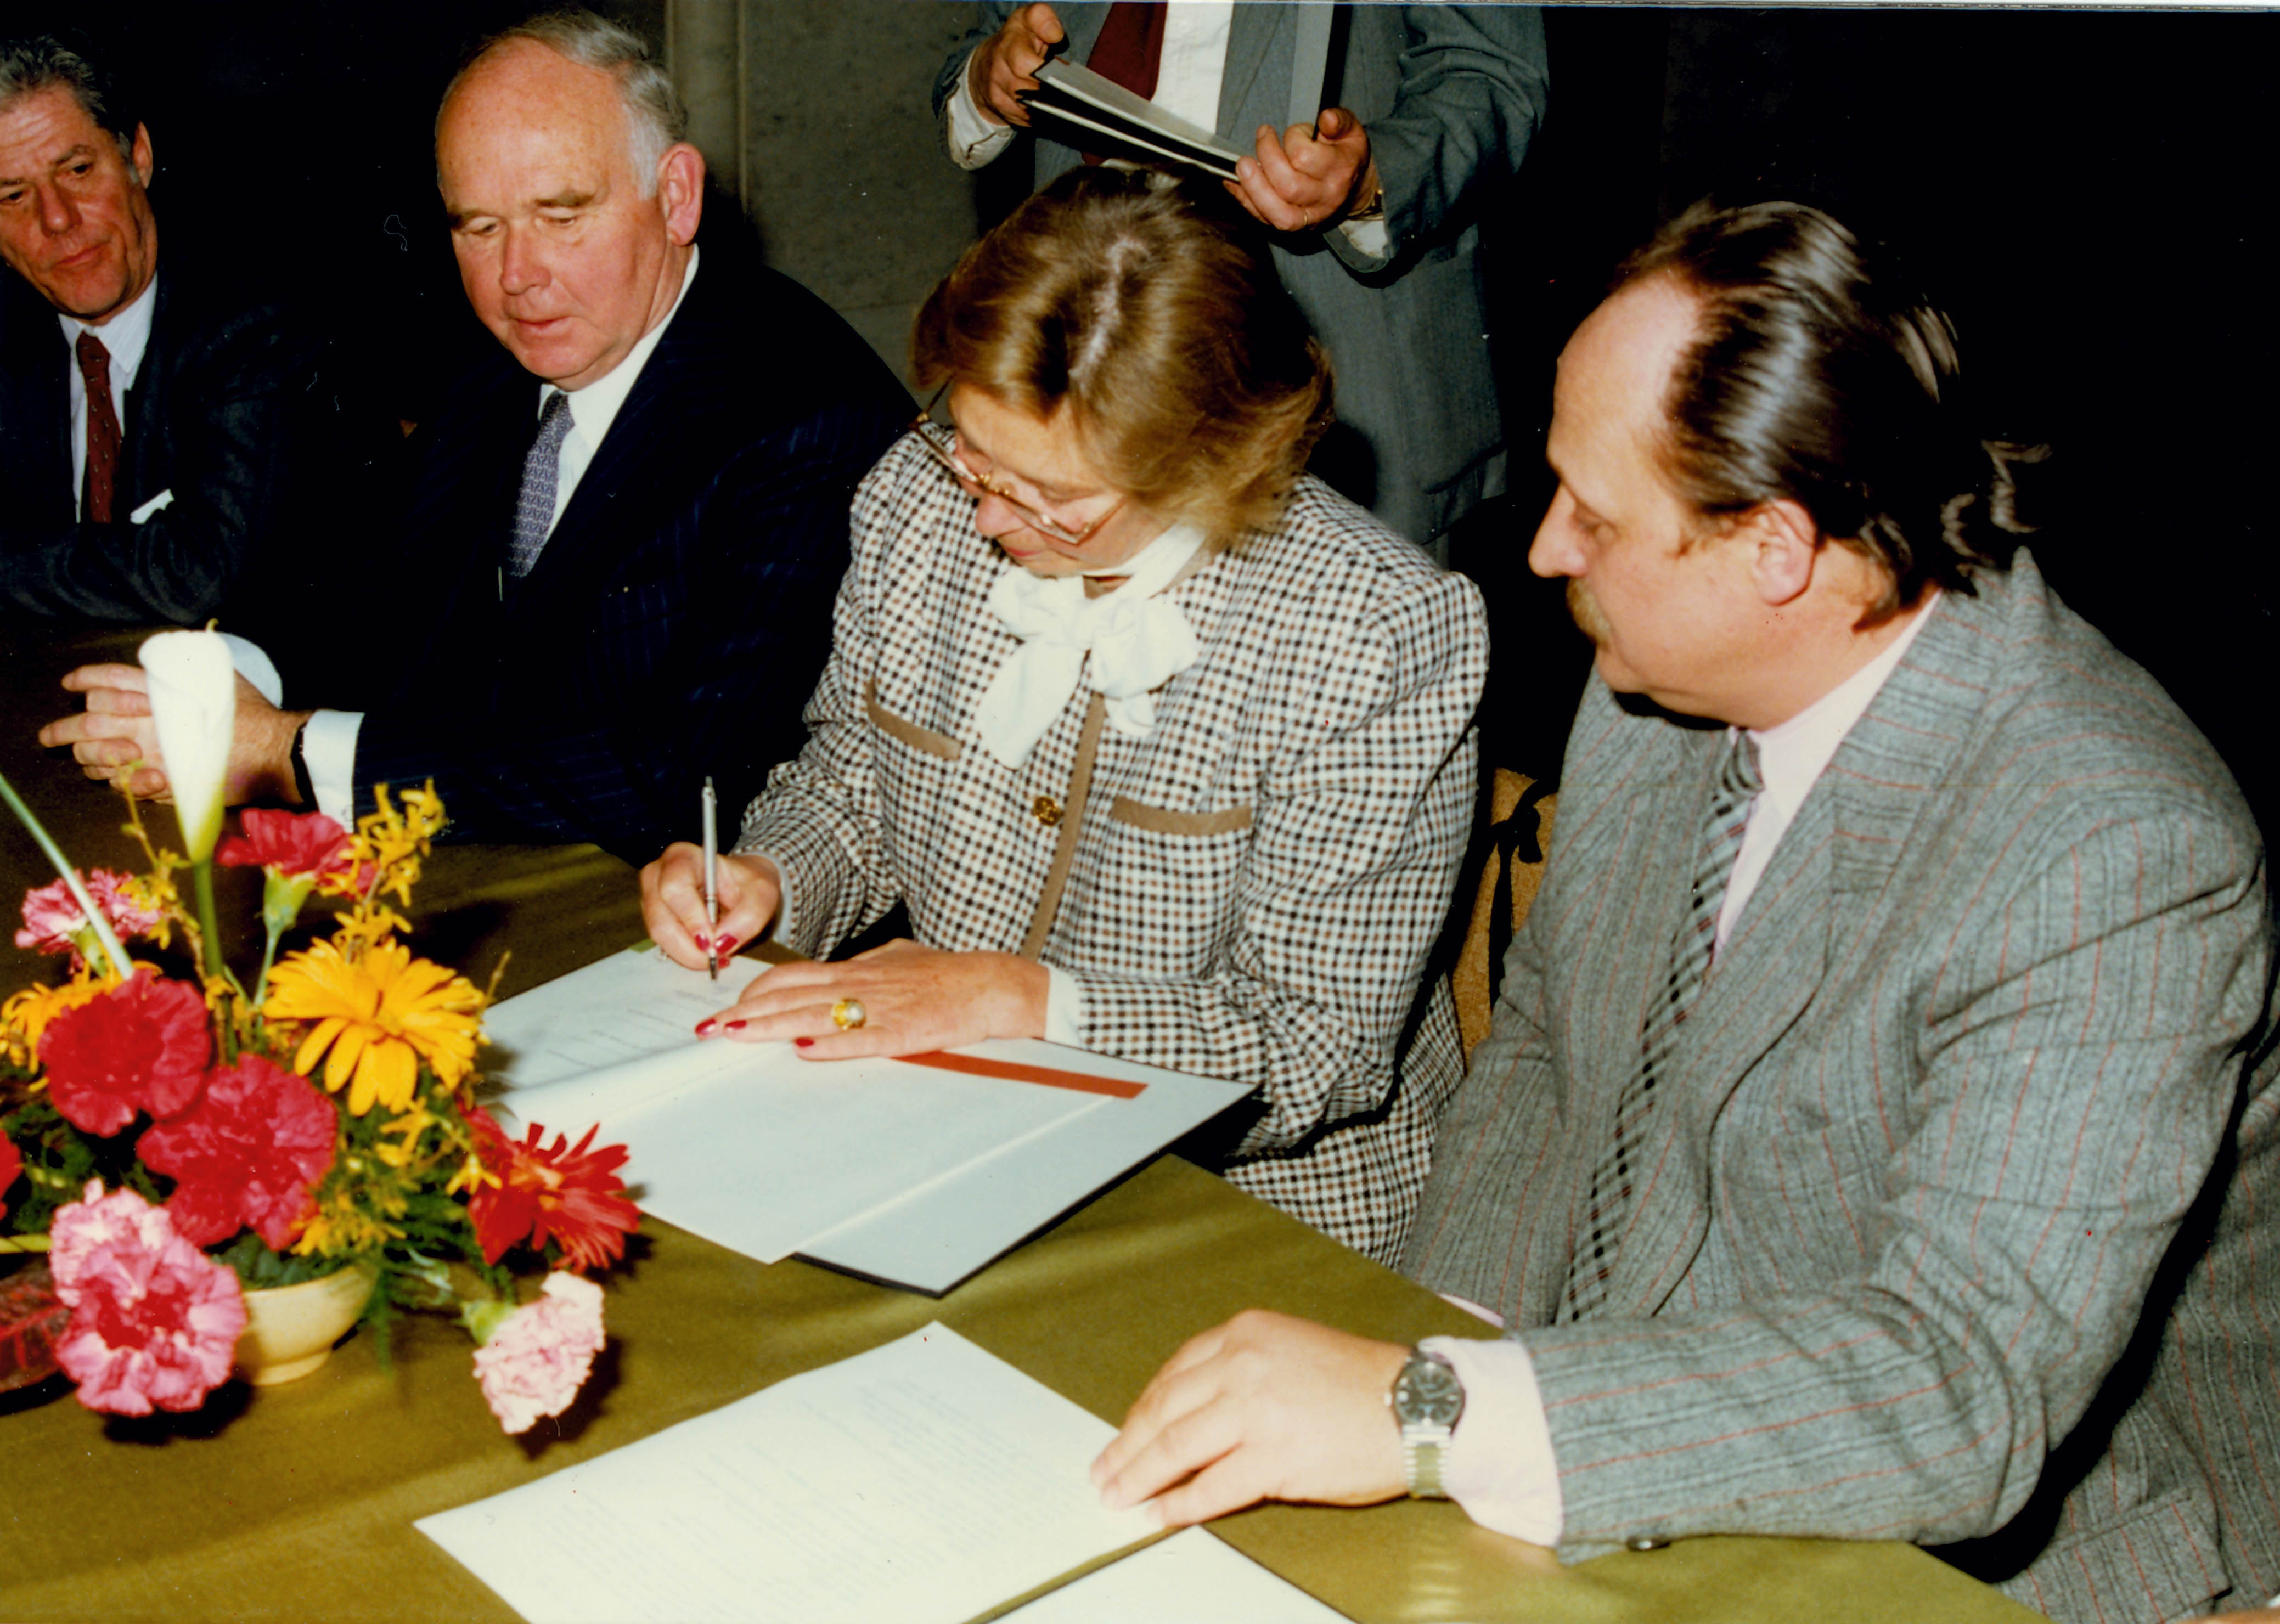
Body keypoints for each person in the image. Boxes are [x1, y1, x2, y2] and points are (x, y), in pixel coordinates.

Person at [1090, 201, 2280, 1624]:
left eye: (1594, 516)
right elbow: (1544, 1048)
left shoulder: (2112, 851)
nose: (1541, 552)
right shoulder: (1664, 667)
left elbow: (1962, 1388)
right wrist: (1435, 1339)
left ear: (1774, 550)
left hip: (2000, 1554)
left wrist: (1433, 1409)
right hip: (1627, 1426)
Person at [639, 166, 1487, 1265]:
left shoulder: (1370, 631)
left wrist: (1028, 1002)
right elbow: (854, 774)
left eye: (1054, 499)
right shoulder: (915, 498)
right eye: (973, 451)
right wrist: (770, 874)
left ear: (1211, 460)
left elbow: (1317, 1046)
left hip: (1252, 1212)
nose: (986, 515)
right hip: (953, 1141)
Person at [37, 10, 907, 862]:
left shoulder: (801, 419)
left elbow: (683, 779)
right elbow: (369, 576)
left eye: (562, 215)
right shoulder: (524, 354)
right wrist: (226, 679)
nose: (517, 277)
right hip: (503, 849)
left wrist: (287, 752)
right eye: (478, 227)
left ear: (675, 195)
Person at [933, 3, 1545, 556]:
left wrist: (1370, 181)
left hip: (1337, 370)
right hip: (1069, 363)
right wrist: (986, 78)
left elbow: (1491, 73)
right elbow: (987, 39)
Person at [0, 33, 396, 624]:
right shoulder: (14, 349)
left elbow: (199, 573)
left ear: (137, 156)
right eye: (12, 195)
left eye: (78, 170)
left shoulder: (251, 318)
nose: (56, 218)